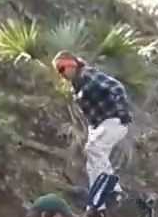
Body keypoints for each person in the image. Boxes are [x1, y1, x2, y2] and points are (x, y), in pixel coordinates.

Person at [51, 50, 131, 207]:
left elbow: (116, 87)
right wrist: (93, 130)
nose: (62, 75)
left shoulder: (87, 75)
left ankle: (114, 190)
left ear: (71, 65)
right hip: (101, 125)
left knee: (95, 149)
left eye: (62, 69)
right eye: (58, 72)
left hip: (113, 120)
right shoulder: (77, 86)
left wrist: (122, 112)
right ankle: (98, 203)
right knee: (92, 159)